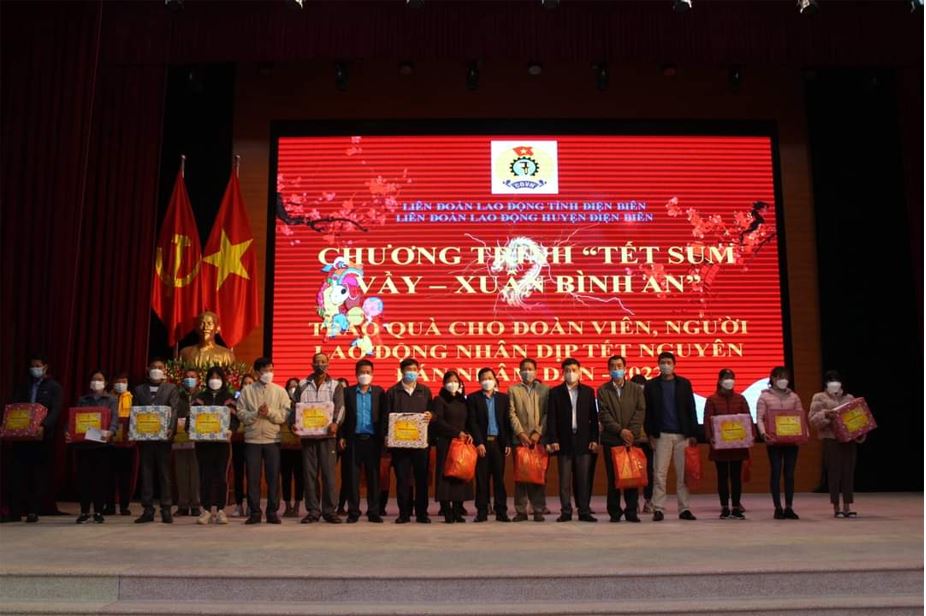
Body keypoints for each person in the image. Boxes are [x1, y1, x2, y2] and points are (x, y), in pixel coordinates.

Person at [3, 354, 62, 524]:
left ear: (45, 367)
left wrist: (44, 426)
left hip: (41, 437)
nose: (34, 369)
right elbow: (15, 407)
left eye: (37, 365)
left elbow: (55, 410)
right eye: (32, 366)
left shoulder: (54, 387)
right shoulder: (24, 385)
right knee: (18, 474)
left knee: (37, 475)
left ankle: (33, 510)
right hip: (22, 437)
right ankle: (15, 511)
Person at [643, 352, 698, 522]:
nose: (665, 365)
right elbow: (647, 412)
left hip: (682, 435)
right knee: (659, 474)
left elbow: (691, 409)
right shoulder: (651, 385)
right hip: (661, 435)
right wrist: (650, 434)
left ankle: (684, 508)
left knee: (683, 475)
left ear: (674, 364)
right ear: (658, 365)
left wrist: (693, 433)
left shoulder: (684, 384)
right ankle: (658, 508)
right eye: (662, 362)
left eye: (668, 362)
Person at [237, 357, 291, 524]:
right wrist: (256, 414)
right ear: (256, 372)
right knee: (252, 479)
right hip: (252, 440)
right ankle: (254, 512)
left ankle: (272, 512)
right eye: (265, 370)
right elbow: (240, 414)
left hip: (272, 440)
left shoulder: (280, 391)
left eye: (271, 370)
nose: (269, 373)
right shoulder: (246, 391)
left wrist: (269, 413)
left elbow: (285, 415)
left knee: (273, 478)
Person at [293, 352, 345, 524]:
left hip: (328, 437)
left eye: (323, 361)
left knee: (329, 475)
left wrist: (336, 423)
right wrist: (293, 423)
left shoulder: (335, 385)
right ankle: (313, 511)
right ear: (312, 364)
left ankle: (329, 511)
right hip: (308, 438)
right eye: (317, 361)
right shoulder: (302, 384)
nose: (320, 364)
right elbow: (294, 406)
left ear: (328, 364)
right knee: (309, 475)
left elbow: (340, 407)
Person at [546, 358, 598, 522]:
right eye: (567, 370)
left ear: (580, 372)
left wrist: (594, 439)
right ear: (563, 373)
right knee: (564, 480)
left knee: (583, 479)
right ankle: (566, 511)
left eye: (574, 370)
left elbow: (594, 418)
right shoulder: (555, 392)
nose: (571, 373)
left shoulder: (588, 391)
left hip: (583, 440)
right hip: (563, 441)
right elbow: (552, 418)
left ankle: (584, 511)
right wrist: (553, 439)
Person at [596, 355, 645, 523]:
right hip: (612, 439)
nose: (616, 369)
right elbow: (604, 414)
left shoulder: (636, 389)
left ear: (625, 368)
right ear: (608, 369)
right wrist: (620, 431)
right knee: (613, 478)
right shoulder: (603, 390)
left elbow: (640, 411)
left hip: (631, 440)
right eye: (613, 366)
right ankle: (614, 512)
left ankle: (631, 511)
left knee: (632, 477)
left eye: (619, 366)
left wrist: (631, 433)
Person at [384, 358, 433, 524]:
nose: (411, 372)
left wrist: (431, 415)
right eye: (408, 369)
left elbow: (432, 412)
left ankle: (422, 513)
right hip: (400, 445)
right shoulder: (392, 392)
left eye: (414, 369)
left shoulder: (425, 391)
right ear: (402, 371)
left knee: (421, 479)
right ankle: (404, 513)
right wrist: (386, 436)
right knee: (402, 479)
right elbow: (386, 416)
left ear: (418, 371)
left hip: (420, 444)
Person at [809, 370, 863, 518]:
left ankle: (847, 505)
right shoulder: (819, 397)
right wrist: (826, 415)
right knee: (834, 473)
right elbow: (813, 420)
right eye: (830, 380)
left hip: (849, 440)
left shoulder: (849, 397)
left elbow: (858, 418)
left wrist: (860, 430)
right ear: (826, 383)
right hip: (831, 439)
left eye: (837, 380)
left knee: (848, 473)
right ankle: (836, 506)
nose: (834, 383)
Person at [133, 357, 180, 524]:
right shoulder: (139, 390)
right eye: (154, 367)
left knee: (164, 473)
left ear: (164, 371)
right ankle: (147, 509)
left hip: (163, 438)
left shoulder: (171, 388)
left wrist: (171, 428)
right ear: (148, 369)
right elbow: (135, 412)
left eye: (160, 367)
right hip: (145, 438)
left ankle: (166, 508)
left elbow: (174, 410)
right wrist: (135, 431)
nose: (157, 370)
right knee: (146, 473)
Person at [68, 371, 119, 523]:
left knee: (100, 480)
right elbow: (74, 419)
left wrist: (111, 432)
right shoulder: (83, 399)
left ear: (105, 383)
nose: (96, 382)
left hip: (102, 446)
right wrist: (69, 432)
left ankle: (98, 511)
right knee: (84, 480)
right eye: (94, 379)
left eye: (100, 379)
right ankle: (84, 511)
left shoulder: (111, 399)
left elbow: (114, 419)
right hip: (84, 446)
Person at [339, 359, 385, 523]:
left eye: (368, 372)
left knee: (374, 478)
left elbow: (384, 416)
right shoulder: (348, 392)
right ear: (356, 374)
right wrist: (341, 436)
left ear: (372, 374)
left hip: (373, 441)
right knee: (352, 478)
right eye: (362, 372)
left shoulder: (379, 392)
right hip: (353, 440)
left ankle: (374, 511)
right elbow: (342, 417)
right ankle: (353, 512)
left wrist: (384, 436)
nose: (365, 375)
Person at [756, 366, 804, 520]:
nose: (784, 380)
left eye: (786, 377)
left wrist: (804, 434)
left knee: (789, 474)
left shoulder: (794, 397)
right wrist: (763, 433)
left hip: (791, 441)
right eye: (780, 377)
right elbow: (759, 418)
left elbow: (800, 416)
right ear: (773, 379)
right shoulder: (764, 397)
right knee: (776, 472)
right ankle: (777, 507)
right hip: (773, 441)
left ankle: (789, 507)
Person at [703, 368, 751, 520]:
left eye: (731, 378)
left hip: (738, 445)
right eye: (726, 378)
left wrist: (750, 436)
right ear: (719, 381)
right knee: (722, 476)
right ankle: (724, 507)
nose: (729, 381)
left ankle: (736, 507)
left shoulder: (740, 398)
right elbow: (707, 420)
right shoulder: (712, 399)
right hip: (720, 445)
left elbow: (747, 418)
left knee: (736, 476)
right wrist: (710, 437)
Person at [192, 366, 237, 525]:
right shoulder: (199, 398)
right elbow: (192, 419)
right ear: (207, 380)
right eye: (212, 377)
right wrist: (192, 429)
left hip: (222, 444)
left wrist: (231, 430)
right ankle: (205, 510)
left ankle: (220, 510)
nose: (215, 380)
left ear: (223, 380)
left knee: (221, 476)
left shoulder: (229, 398)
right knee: (205, 476)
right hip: (203, 444)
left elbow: (235, 420)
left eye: (218, 377)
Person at [508, 357, 550, 522]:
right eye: (524, 369)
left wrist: (538, 432)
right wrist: (520, 433)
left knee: (538, 475)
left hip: (538, 440)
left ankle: (538, 509)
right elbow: (511, 413)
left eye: (530, 369)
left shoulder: (545, 390)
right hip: (520, 440)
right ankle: (521, 511)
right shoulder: (513, 390)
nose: (527, 372)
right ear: (520, 372)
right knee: (521, 476)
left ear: (536, 371)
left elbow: (547, 413)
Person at [466, 368, 510, 522]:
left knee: (499, 479)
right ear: (479, 381)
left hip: (498, 443)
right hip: (482, 445)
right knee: (482, 480)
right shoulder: (473, 398)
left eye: (490, 378)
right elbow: (472, 422)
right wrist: (479, 442)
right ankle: (482, 511)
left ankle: (501, 511)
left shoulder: (504, 398)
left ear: (495, 380)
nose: (487, 381)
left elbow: (506, 422)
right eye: (484, 378)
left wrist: (507, 442)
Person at [431, 371, 474, 524]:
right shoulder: (439, 400)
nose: (453, 384)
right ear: (444, 384)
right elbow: (438, 422)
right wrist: (456, 433)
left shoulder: (463, 401)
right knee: (445, 477)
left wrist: (468, 433)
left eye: (456, 381)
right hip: (446, 443)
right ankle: (446, 511)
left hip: (461, 443)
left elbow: (467, 422)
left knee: (459, 475)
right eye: (449, 381)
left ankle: (457, 510)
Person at [106, 372, 137, 516]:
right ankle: (109, 505)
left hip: (127, 443)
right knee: (109, 475)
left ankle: (124, 506)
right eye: (118, 381)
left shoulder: (132, 398)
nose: (120, 384)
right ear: (113, 383)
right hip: (109, 441)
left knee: (125, 476)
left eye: (124, 381)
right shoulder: (107, 398)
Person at [173, 368, 202, 517]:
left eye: (193, 376)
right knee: (181, 472)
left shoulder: (201, 396)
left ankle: (196, 504)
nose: (189, 379)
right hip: (180, 438)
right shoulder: (177, 396)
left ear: (198, 380)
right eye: (187, 377)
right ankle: (183, 505)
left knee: (196, 472)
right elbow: (172, 414)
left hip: (197, 439)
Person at [280, 377, 305, 518]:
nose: (293, 389)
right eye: (290, 386)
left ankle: (297, 506)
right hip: (284, 447)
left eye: (296, 386)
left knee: (299, 477)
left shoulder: (304, 404)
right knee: (286, 478)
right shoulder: (282, 404)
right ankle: (287, 505)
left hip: (300, 447)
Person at [629, 374, 655, 513]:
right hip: (632, 442)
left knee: (649, 472)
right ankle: (633, 502)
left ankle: (648, 500)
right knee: (631, 473)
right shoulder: (627, 402)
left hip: (648, 442)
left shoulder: (650, 402)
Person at [231, 373, 255, 517]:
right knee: (238, 474)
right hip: (238, 440)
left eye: (250, 383)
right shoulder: (235, 399)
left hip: (252, 440)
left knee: (252, 474)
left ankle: (252, 505)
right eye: (245, 383)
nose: (247, 386)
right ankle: (239, 505)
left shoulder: (257, 399)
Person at [336, 376, 351, 516]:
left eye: (344, 387)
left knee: (347, 476)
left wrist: (343, 436)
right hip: (331, 441)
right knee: (328, 475)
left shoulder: (351, 401)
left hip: (347, 442)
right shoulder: (332, 402)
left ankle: (342, 505)